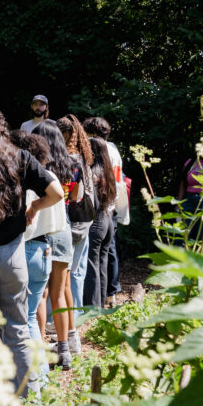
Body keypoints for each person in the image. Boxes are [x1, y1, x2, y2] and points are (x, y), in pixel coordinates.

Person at [0, 102, 64, 393]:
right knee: (18, 328)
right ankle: (31, 398)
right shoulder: (20, 157)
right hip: (14, 253)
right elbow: (56, 192)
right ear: (0, 126)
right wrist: (34, 207)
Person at [9, 129, 65, 378]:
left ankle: (36, 378)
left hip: (28, 246)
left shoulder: (31, 179)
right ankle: (39, 376)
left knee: (24, 319)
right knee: (31, 315)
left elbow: (26, 219)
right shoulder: (51, 177)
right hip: (46, 248)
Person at [32, 122, 78, 369]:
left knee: (41, 294)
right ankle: (65, 349)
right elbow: (74, 198)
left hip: (42, 229)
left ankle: (39, 349)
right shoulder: (72, 166)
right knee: (59, 293)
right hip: (64, 227)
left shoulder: (38, 168)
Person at [56, 114, 96, 354]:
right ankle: (76, 322)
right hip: (86, 219)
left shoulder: (67, 161)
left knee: (66, 277)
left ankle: (68, 322)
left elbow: (70, 196)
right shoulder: (83, 157)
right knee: (77, 272)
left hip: (71, 222)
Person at [82, 117, 127, 299]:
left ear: (93, 134)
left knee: (95, 258)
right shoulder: (114, 150)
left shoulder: (96, 149)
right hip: (111, 204)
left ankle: (95, 303)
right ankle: (110, 293)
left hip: (98, 207)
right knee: (107, 253)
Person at [84, 136, 118, 309]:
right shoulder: (108, 172)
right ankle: (102, 301)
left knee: (91, 264)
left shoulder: (92, 174)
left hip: (96, 220)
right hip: (108, 218)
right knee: (101, 262)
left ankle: (92, 306)